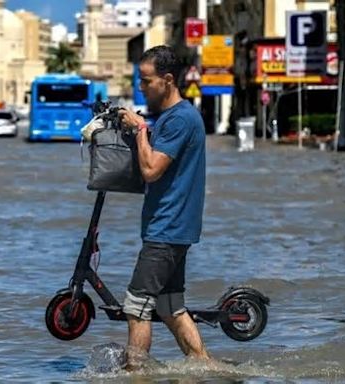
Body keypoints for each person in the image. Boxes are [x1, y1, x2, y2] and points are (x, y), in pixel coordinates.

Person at [118, 45, 209, 370]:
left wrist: (141, 129)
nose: (141, 88)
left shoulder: (179, 119)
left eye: (146, 81)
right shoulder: (173, 118)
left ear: (168, 80)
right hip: (173, 228)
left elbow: (151, 170)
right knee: (170, 306)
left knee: (136, 306)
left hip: (167, 229)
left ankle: (135, 375)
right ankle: (206, 368)